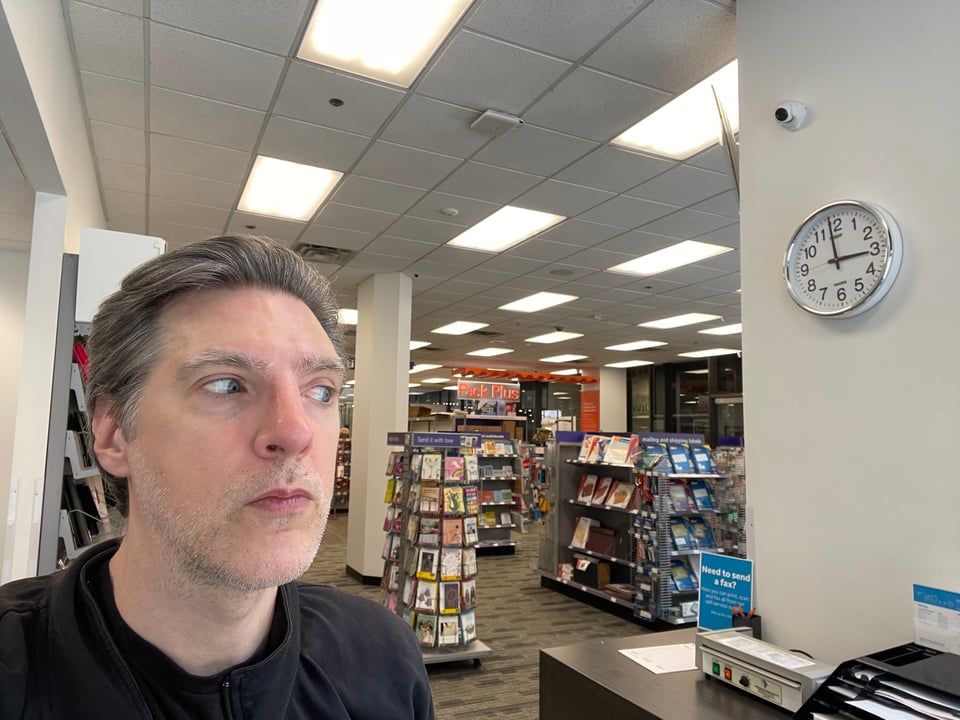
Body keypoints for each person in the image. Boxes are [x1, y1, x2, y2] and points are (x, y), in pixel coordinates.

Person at [0, 235, 435, 719]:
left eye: (321, 391)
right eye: (226, 384)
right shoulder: (14, 674)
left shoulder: (380, 655)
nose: (295, 432)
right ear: (113, 432)